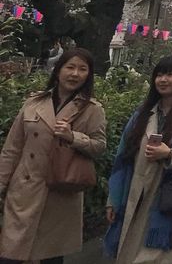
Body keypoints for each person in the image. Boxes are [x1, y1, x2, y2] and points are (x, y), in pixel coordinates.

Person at [0, 47, 106, 264]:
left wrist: (73, 137)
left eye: (82, 69)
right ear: (58, 70)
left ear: (88, 75)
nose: (75, 74)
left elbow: (99, 146)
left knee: (50, 256)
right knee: (10, 254)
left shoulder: (92, 109)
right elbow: (12, 148)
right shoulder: (34, 102)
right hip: (24, 190)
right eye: (70, 67)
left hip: (60, 192)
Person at [104, 55, 172, 264]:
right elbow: (123, 156)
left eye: (170, 74)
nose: (163, 79)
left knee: (159, 257)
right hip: (137, 192)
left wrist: (170, 155)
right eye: (159, 75)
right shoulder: (144, 113)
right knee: (130, 253)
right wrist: (113, 200)